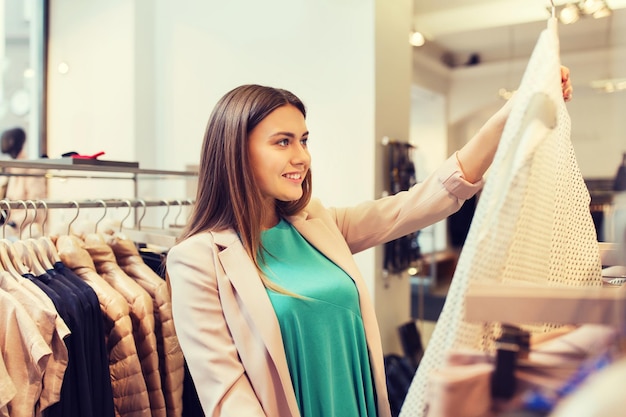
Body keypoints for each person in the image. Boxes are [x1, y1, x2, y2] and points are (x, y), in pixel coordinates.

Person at [165, 67, 573, 417]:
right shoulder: (197, 260)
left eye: (304, 140)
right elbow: (226, 396)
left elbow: (417, 204)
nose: (302, 157)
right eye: (283, 141)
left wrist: (508, 116)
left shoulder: (317, 224)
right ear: (237, 150)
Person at [0, 127, 47, 235]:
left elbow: (38, 208)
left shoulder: (32, 170)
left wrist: (13, 222)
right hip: (10, 230)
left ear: (13, 141)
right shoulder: (10, 169)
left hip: (28, 233)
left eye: (6, 139)